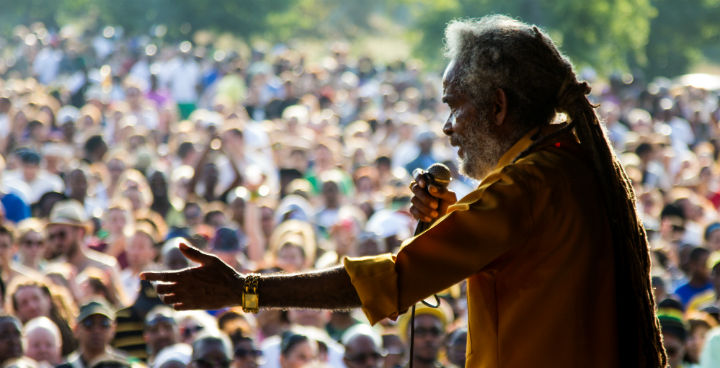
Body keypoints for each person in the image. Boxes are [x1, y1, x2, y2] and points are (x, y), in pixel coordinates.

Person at [142, 15, 665, 367]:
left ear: (498, 107)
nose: (448, 128)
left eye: (453, 105)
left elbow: (391, 282)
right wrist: (451, 221)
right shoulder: (569, 166)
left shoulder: (525, 186)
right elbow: (527, 261)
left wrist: (246, 290)